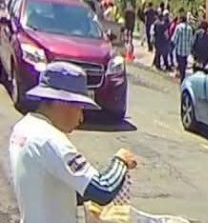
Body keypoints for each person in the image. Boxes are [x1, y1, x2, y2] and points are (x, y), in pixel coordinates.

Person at [8, 62, 139, 223]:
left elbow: (49, 188)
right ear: (61, 102)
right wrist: (120, 162)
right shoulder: (51, 139)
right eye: (79, 108)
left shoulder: (23, 128)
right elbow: (103, 189)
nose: (81, 118)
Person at [171, 14, 195, 81]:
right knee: (184, 64)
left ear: (181, 20)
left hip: (179, 50)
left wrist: (173, 44)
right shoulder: (190, 28)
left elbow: (174, 38)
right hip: (186, 51)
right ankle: (182, 76)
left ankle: (181, 76)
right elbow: (191, 40)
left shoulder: (179, 27)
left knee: (180, 63)